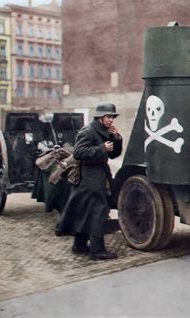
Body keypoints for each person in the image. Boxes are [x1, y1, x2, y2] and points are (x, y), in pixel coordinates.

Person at [56, 102, 123, 261]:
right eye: (108, 117)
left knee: (85, 210)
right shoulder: (88, 131)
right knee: (99, 211)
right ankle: (97, 250)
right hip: (89, 176)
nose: (111, 120)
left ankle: (79, 245)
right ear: (100, 117)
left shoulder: (103, 132)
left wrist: (116, 138)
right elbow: (78, 152)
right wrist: (101, 149)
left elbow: (113, 155)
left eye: (112, 117)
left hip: (98, 175)